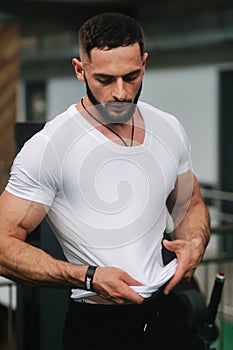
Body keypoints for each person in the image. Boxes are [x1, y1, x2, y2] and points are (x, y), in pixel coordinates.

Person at [0, 12, 210, 350]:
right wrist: (86, 276)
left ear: (144, 63)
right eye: (105, 79)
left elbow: (190, 203)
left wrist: (195, 244)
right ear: (79, 70)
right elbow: (2, 244)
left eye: (131, 76)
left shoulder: (168, 127)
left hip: (167, 310)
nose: (121, 93)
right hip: (99, 326)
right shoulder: (50, 146)